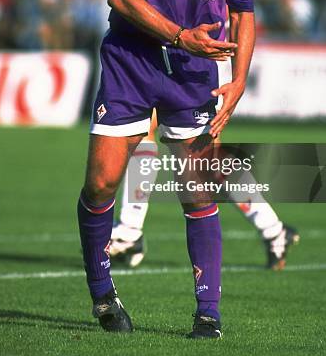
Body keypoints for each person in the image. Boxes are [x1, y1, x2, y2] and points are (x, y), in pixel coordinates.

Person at [77, 0, 255, 339]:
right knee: (102, 182)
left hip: (194, 74)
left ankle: (209, 314)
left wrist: (239, 78)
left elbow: (244, 10)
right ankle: (104, 297)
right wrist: (179, 35)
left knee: (200, 192)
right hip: (132, 65)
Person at [110, 116, 300, 272]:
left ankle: (274, 229)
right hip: (164, 70)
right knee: (144, 127)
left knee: (209, 156)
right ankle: (129, 230)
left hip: (202, 72)